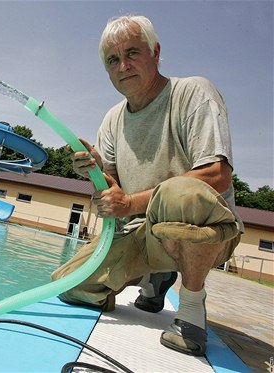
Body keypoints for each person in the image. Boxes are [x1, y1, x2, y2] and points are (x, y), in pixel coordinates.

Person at [51, 15, 243, 357]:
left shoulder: (193, 92)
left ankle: (191, 308)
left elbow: (217, 175)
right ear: (107, 71)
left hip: (208, 232)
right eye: (113, 60)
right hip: (144, 233)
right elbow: (115, 193)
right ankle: (154, 277)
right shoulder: (112, 119)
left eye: (132, 53)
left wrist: (128, 204)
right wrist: (96, 172)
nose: (123, 65)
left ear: (155, 52)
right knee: (71, 284)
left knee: (179, 192)